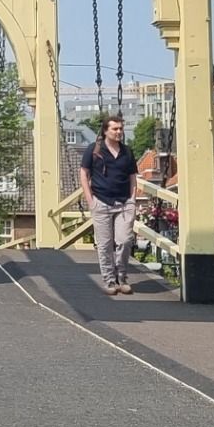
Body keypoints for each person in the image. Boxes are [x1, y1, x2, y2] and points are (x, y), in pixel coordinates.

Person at [80, 115, 137, 296]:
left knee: (125, 240)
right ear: (106, 131)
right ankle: (109, 280)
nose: (119, 132)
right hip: (101, 201)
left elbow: (132, 177)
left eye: (120, 128)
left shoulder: (127, 152)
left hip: (123, 203)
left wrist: (132, 199)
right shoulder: (94, 149)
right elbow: (84, 173)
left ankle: (122, 277)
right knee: (105, 245)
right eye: (115, 129)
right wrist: (90, 201)